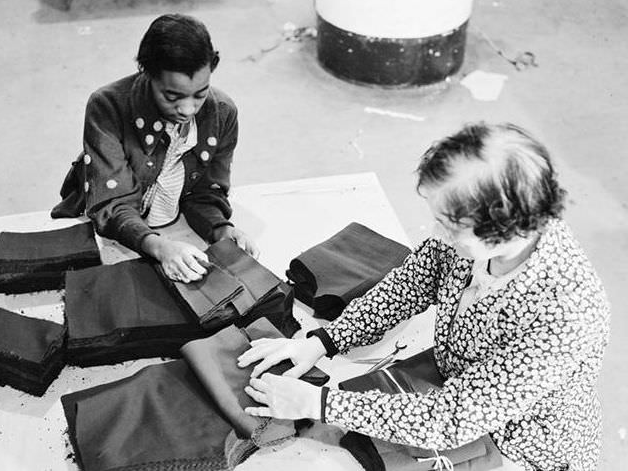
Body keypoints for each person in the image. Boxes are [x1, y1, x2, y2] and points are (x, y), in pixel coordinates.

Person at [238, 123, 610, 471]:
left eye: (448, 225)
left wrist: (317, 403)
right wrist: (323, 341)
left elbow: (451, 418)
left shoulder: (566, 313)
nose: (435, 233)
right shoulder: (477, 242)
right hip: (458, 382)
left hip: (518, 443)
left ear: (502, 228)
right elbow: (412, 281)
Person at [52, 14, 258, 282]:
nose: (187, 109)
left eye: (200, 93)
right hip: (114, 235)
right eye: (171, 97)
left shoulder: (222, 112)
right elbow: (113, 205)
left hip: (176, 230)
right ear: (146, 73)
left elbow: (205, 192)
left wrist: (221, 230)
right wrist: (160, 247)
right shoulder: (108, 106)